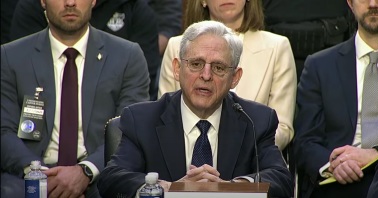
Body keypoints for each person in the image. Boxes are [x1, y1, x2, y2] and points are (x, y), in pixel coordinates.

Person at [97, 20, 293, 198]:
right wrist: (171, 189)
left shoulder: (256, 120)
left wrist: (230, 189)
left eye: (218, 67)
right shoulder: (141, 119)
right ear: (177, 69)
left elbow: (281, 180)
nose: (206, 75)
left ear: (235, 77)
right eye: (196, 64)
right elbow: (112, 179)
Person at [0, 0, 150, 197]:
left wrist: (85, 171)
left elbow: (130, 130)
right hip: (29, 176)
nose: (70, 2)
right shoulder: (10, 57)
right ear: (43, 1)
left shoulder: (128, 56)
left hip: (100, 175)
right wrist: (42, 176)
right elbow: (4, 131)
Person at [158, 0, 297, 151]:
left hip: (251, 163)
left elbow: (282, 128)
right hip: (186, 161)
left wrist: (237, 156)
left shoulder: (277, 47)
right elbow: (166, 119)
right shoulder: (176, 46)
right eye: (197, 64)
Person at [294, 0, 378, 197]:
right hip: (338, 181)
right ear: (350, 3)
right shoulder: (319, 66)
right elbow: (305, 141)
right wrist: (333, 164)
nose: (373, 4)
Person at [9, 0, 160, 100]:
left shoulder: (131, 50)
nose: (70, 3)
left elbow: (130, 123)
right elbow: (6, 128)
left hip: (106, 147)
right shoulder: (9, 55)